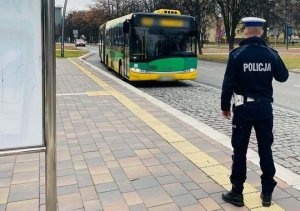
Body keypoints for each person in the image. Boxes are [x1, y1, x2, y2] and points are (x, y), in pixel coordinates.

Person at [221, 17, 289, 207]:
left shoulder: (236, 54)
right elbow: (283, 77)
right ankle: (266, 193)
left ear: (245, 32)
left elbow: (228, 84)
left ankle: (237, 193)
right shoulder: (271, 53)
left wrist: (225, 107)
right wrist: (274, 57)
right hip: (265, 109)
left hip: (243, 109)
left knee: (240, 150)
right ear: (261, 32)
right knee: (265, 149)